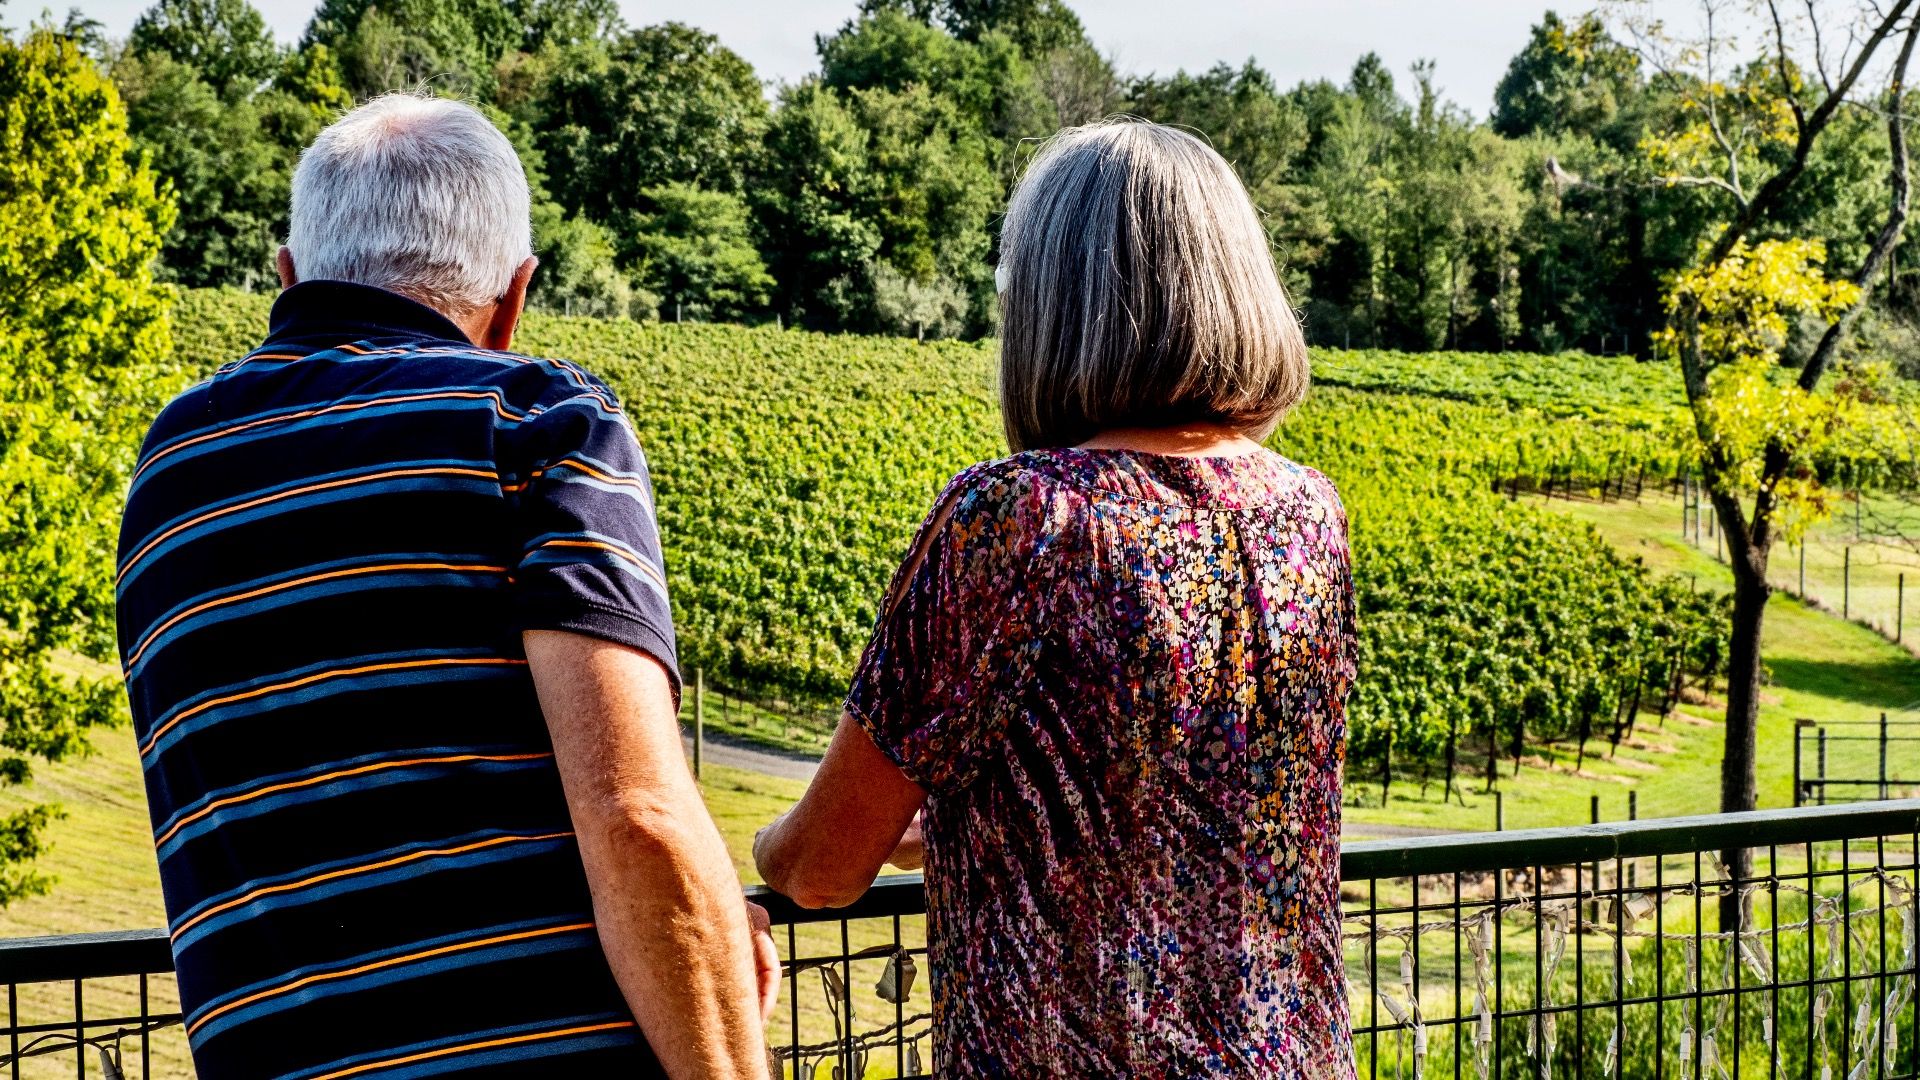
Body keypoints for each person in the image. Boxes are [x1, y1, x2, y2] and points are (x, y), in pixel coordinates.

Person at [117, 93, 776, 1079]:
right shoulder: (534, 421)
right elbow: (636, 817)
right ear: (513, 302)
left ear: (288, 277)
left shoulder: (171, 471)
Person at [754, 119, 1359, 1077]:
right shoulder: (1308, 512)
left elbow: (822, 869)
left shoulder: (1023, 518)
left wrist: (763, 850)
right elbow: (1187, 803)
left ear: (1053, 303)